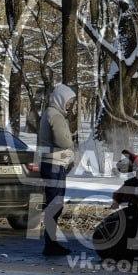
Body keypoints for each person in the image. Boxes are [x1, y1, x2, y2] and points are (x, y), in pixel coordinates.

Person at [37, 84, 77, 255]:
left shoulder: (50, 113)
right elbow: (64, 142)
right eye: (68, 102)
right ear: (61, 99)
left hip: (51, 163)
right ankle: (50, 244)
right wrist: (71, 141)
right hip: (54, 164)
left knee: (54, 204)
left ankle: (51, 242)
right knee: (55, 205)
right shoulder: (56, 115)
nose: (69, 105)